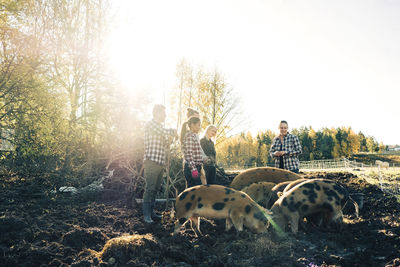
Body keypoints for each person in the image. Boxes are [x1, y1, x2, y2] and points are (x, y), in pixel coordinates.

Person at [143, 104, 177, 224]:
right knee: (150, 188)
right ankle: (146, 216)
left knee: (156, 189)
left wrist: (170, 140)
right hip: (151, 161)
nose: (165, 115)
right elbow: (162, 131)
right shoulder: (151, 125)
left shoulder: (160, 128)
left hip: (160, 162)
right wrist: (172, 131)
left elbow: (165, 145)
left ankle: (151, 213)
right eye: (163, 113)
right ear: (156, 113)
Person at [181, 116, 204, 188]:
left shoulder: (194, 136)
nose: (199, 127)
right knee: (195, 191)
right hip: (191, 168)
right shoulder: (189, 136)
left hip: (196, 166)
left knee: (195, 191)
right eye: (198, 125)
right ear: (192, 125)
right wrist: (193, 169)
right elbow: (189, 153)